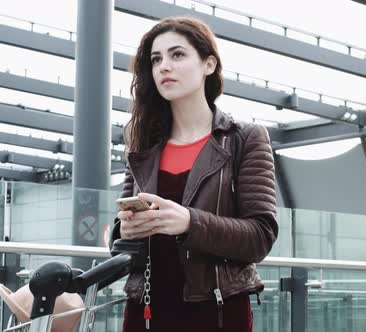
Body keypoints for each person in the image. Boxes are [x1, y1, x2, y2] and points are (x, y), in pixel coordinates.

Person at [109, 17, 278, 332]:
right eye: (156, 59)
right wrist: (125, 231)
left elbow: (261, 236)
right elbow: (119, 237)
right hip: (145, 308)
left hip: (216, 312)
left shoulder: (245, 138)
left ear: (209, 64)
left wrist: (189, 222)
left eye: (177, 55)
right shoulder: (143, 143)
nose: (163, 66)